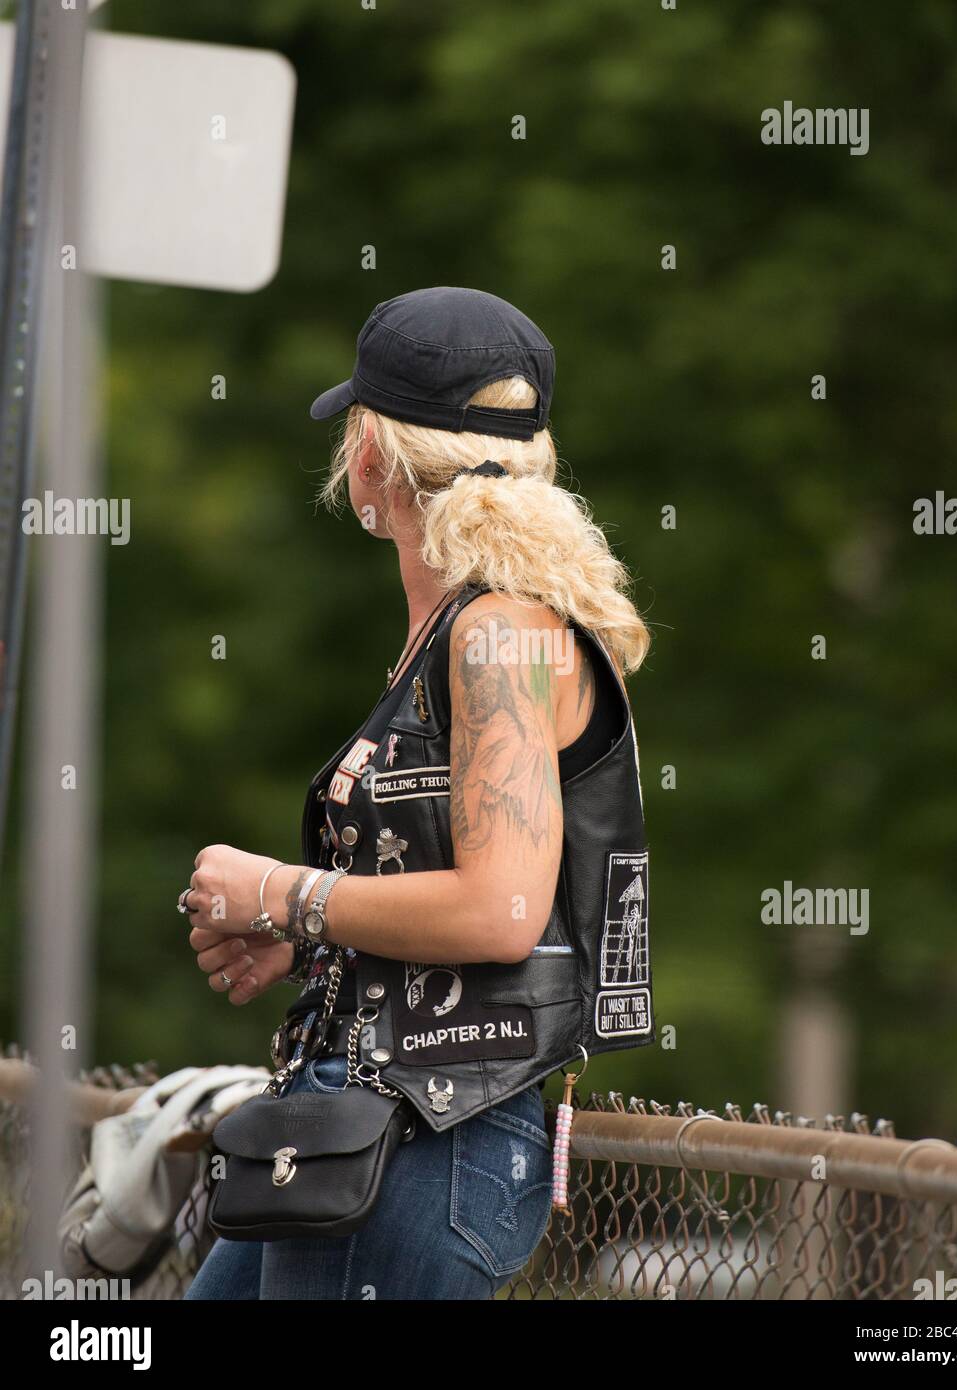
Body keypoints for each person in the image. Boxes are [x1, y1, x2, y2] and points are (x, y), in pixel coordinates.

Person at [182, 286, 654, 1300]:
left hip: (421, 1144)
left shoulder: (496, 635)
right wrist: (320, 934)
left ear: (370, 463)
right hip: (370, 1130)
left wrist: (280, 892)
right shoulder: (467, 633)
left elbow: (500, 911)